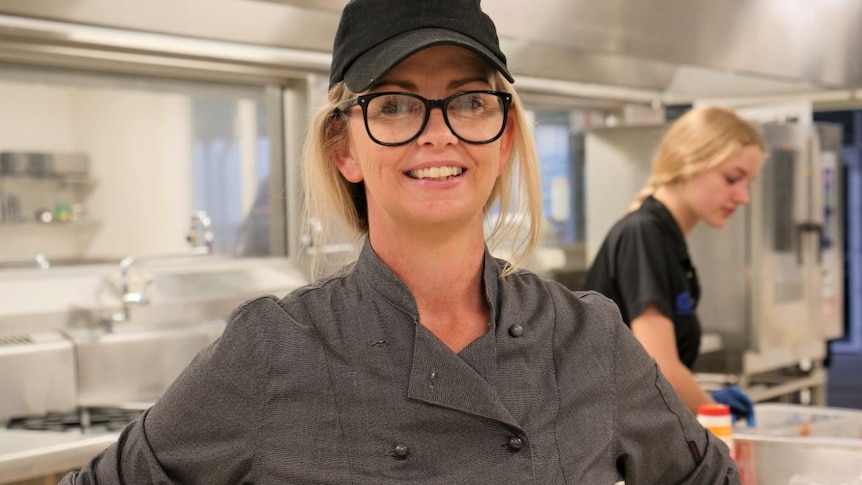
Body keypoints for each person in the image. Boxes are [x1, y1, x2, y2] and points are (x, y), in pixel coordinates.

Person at [60, 1, 739, 483]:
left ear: (503, 138)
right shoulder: (275, 349)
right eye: (394, 104)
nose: (438, 133)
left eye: (471, 100)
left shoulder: (588, 337)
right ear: (343, 147)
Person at [582, 105, 764, 425]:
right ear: (688, 164)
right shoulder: (644, 233)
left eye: (748, 183)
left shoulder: (666, 238)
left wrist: (700, 396)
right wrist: (714, 416)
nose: (743, 197)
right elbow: (661, 365)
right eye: (733, 179)